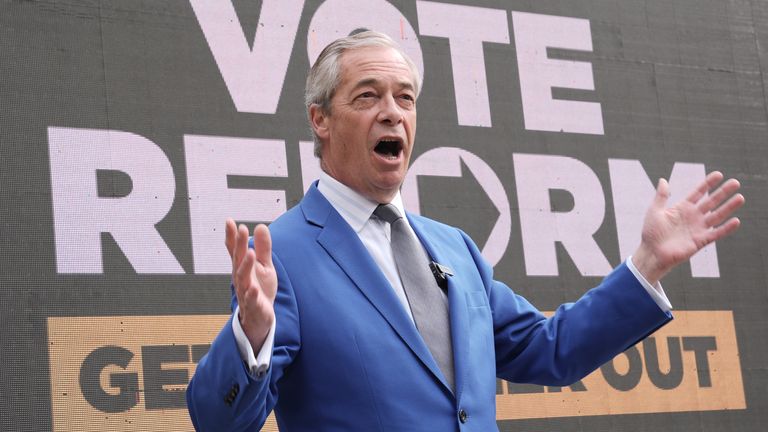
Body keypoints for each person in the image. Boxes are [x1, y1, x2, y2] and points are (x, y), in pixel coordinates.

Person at [186, 31, 744, 431]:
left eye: (405, 97)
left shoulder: (455, 248)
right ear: (320, 119)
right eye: (367, 96)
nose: (392, 113)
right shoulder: (282, 253)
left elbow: (551, 350)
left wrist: (646, 263)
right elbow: (219, 421)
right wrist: (250, 337)